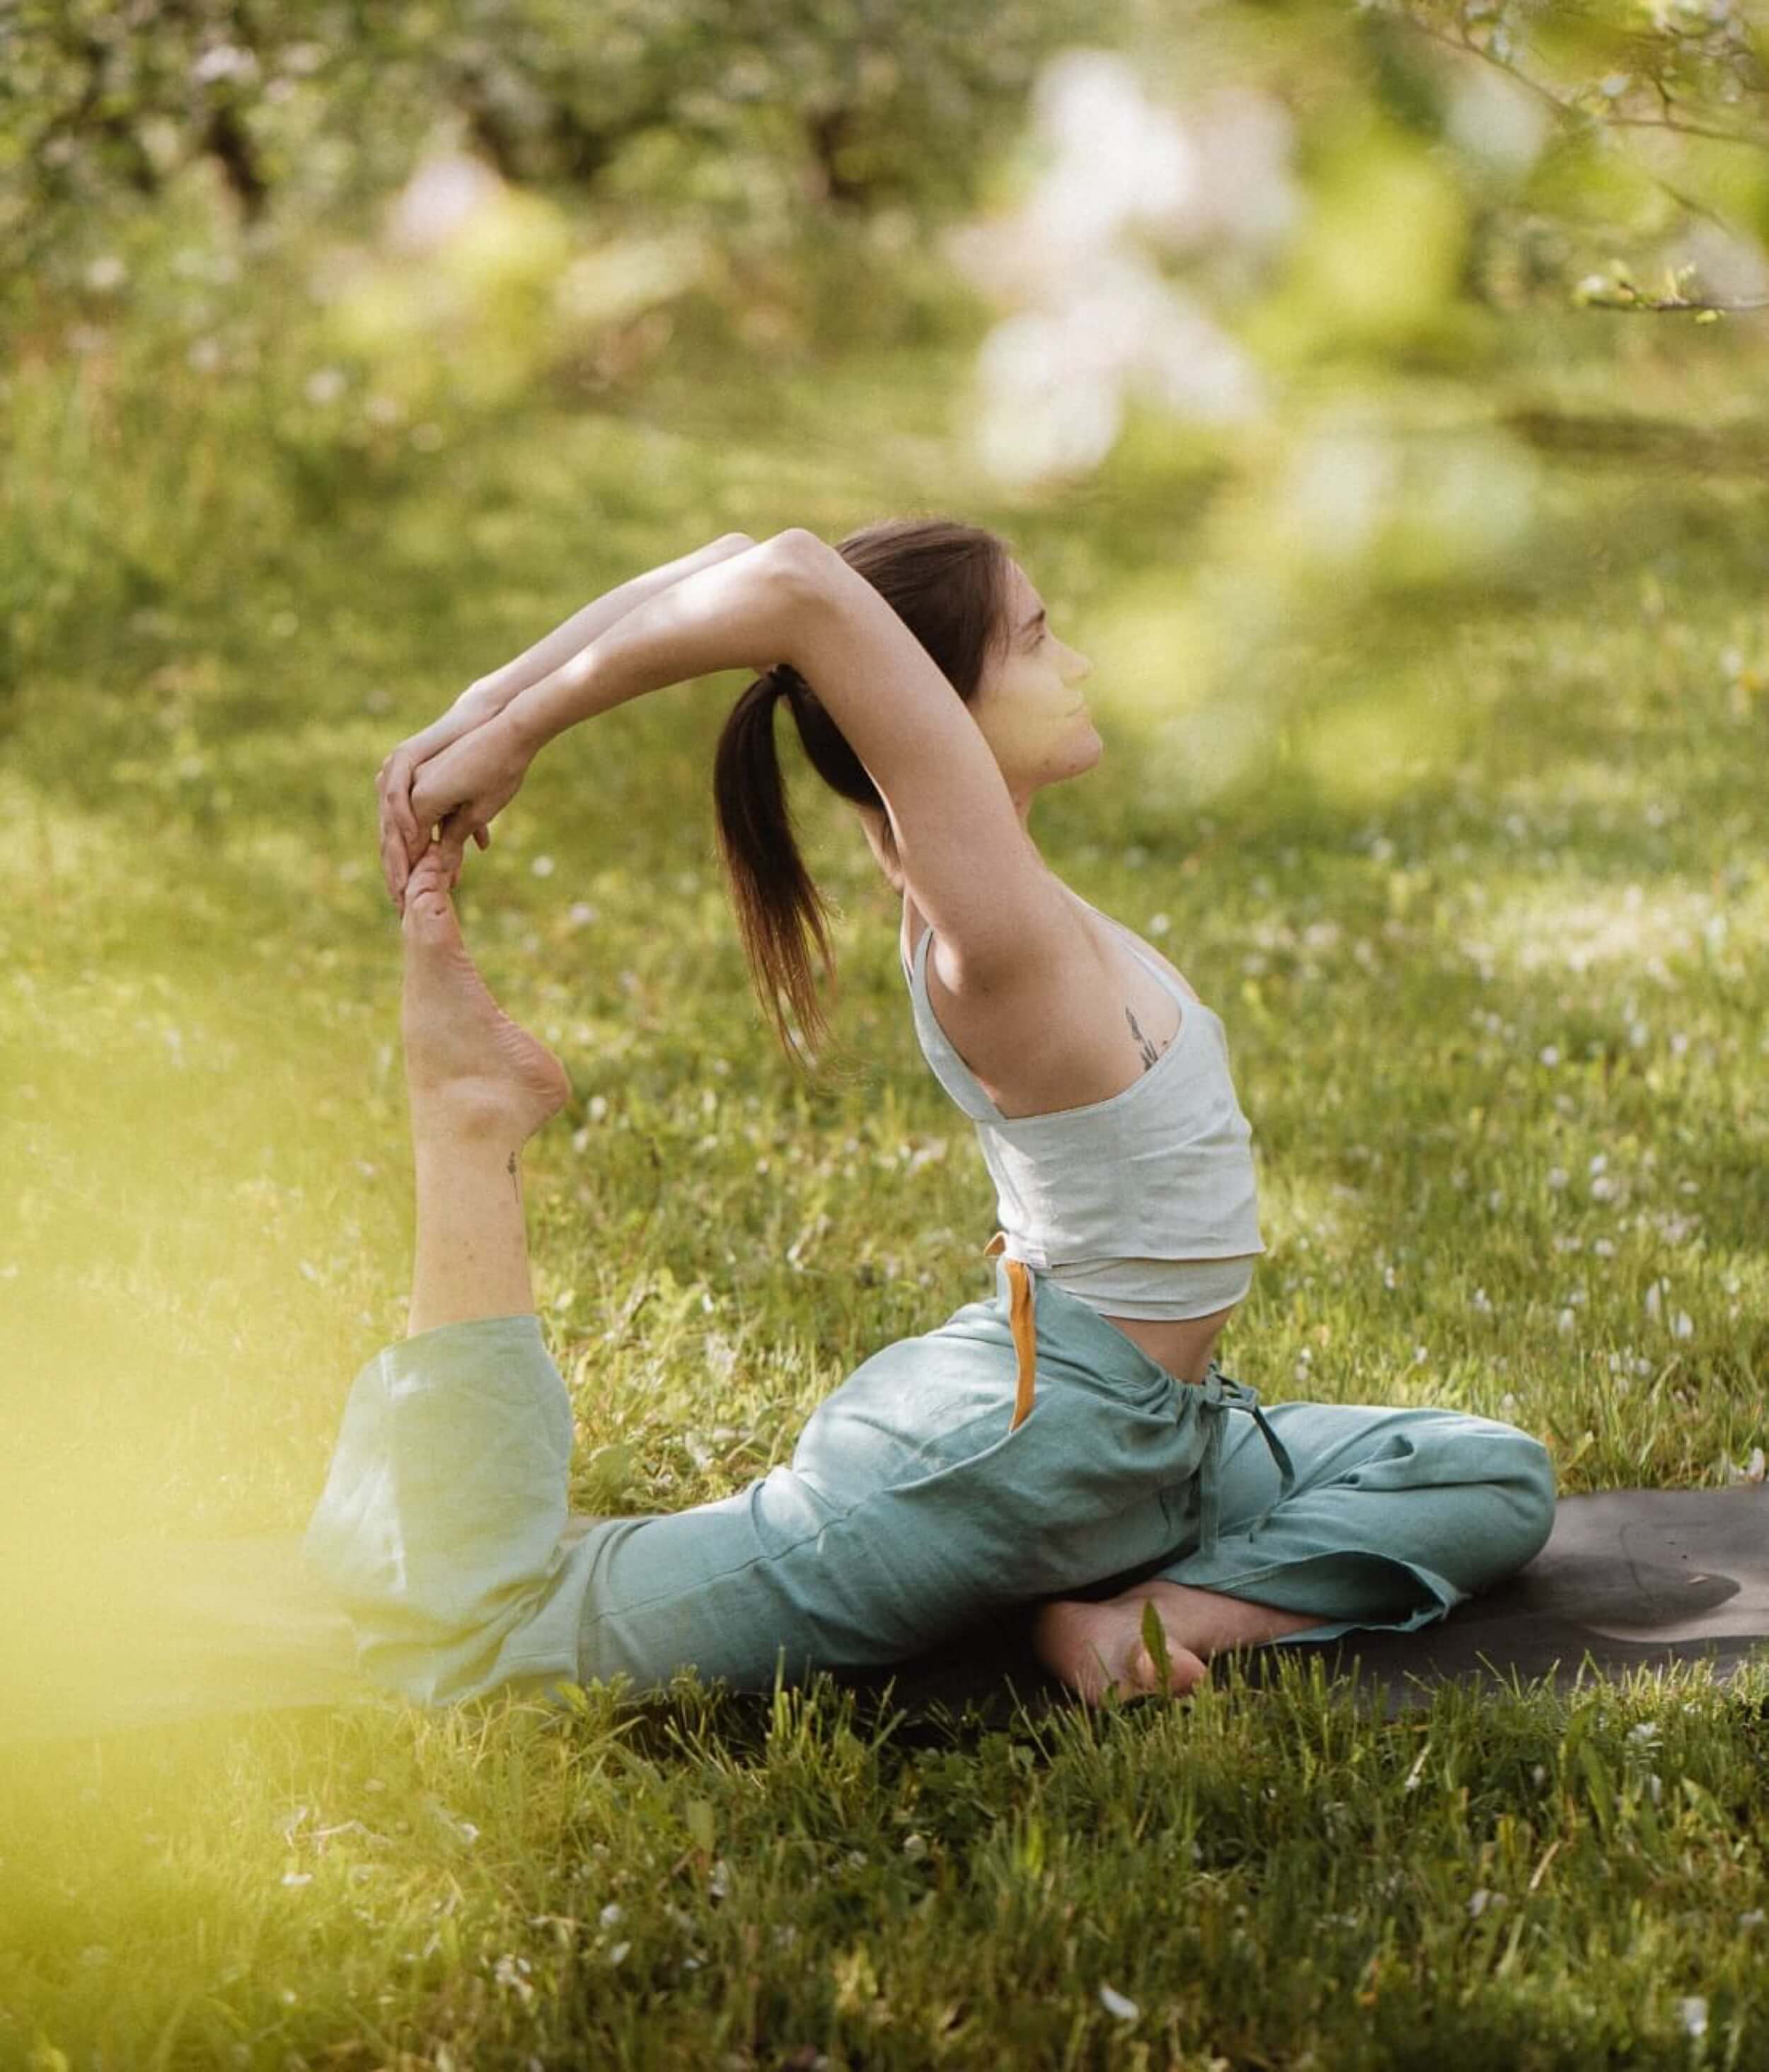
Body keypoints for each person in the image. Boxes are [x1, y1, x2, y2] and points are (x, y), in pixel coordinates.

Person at [303, 518, 1557, 1712]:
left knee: (1488, 1473)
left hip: (1153, 1437)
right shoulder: (991, 939)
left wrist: (476, 708)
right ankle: (466, 1115)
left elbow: (747, 570)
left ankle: (1139, 1616)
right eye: (1035, 639)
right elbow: (791, 583)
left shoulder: (1006, 902)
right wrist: (520, 731)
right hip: (1032, 1447)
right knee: (476, 1637)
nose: (1078, 665)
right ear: (931, 713)